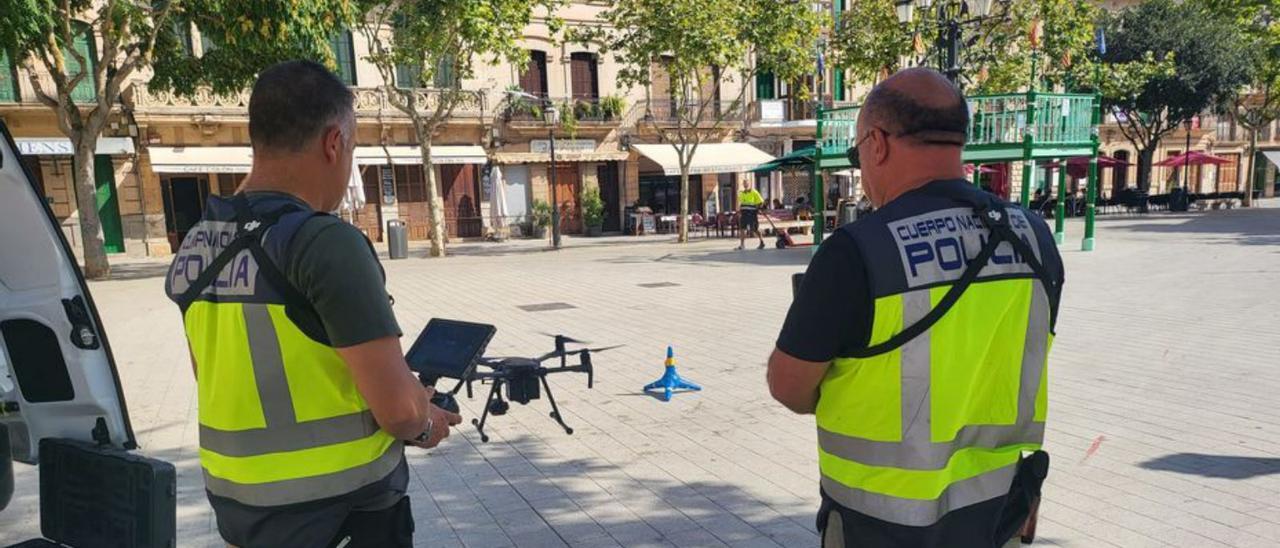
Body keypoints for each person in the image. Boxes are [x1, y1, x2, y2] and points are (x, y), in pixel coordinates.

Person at [164, 60, 461, 548]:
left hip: (241, 513)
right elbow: (399, 412)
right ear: (333, 143)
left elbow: (215, 371)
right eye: (353, 148)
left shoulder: (199, 243)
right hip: (341, 514)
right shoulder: (324, 243)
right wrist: (428, 421)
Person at [766, 68, 1064, 548]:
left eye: (857, 152)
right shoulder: (1033, 237)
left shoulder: (858, 251)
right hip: (996, 514)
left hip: (879, 523)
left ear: (878, 143)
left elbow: (790, 388)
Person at [737, 180, 767, 250]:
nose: (745, 185)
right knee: (742, 229)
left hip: (752, 213)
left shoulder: (754, 192)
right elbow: (741, 203)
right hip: (744, 213)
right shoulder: (742, 193)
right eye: (744, 184)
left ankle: (762, 242)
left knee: (755, 229)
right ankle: (742, 245)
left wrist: (758, 209)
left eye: (746, 183)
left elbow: (761, 202)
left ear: (749, 184)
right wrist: (739, 211)